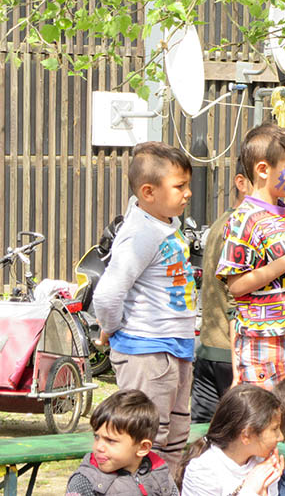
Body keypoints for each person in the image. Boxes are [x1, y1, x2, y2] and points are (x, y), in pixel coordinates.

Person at [93, 141, 196, 474]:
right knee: (144, 439)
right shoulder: (140, 233)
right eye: (179, 186)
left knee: (174, 437)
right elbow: (108, 294)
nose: (188, 193)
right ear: (148, 192)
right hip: (147, 352)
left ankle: (164, 489)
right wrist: (112, 328)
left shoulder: (165, 225)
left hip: (175, 349)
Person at [216, 124, 285, 390]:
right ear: (263, 169)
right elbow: (236, 285)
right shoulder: (244, 220)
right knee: (265, 412)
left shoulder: (284, 214)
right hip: (262, 341)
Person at [191, 159, 253, 423]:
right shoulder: (240, 226)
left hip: (211, 347)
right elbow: (234, 297)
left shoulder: (223, 222)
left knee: (203, 432)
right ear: (241, 182)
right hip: (232, 352)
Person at [66, 389, 178, 496]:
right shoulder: (85, 482)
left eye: (110, 440)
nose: (99, 447)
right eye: (96, 437)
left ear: (142, 448)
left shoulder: (159, 474)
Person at [179, 384, 284, 496]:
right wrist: (250, 489)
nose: (281, 437)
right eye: (274, 429)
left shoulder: (262, 463)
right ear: (246, 435)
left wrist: (269, 482)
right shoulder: (203, 471)